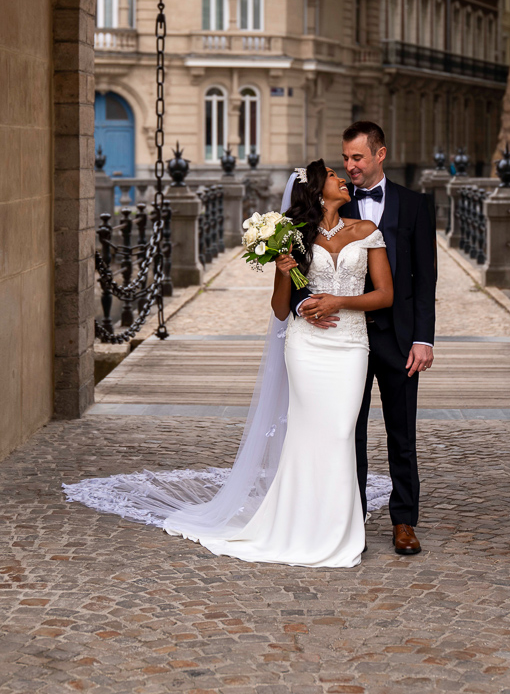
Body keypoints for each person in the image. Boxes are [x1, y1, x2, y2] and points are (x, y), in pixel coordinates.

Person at [63, 161, 393, 570]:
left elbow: (384, 295)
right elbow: (280, 309)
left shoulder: (366, 231)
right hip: (307, 347)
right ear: (316, 189)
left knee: (341, 432)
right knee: (307, 434)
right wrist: (284, 274)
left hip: (350, 345)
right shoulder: (293, 236)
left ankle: (338, 529)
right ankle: (302, 526)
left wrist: (338, 301)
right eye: (332, 174)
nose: (342, 178)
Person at [292, 122, 436, 555]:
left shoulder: (415, 205)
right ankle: (349, 518)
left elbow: (425, 277)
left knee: (401, 433)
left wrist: (424, 339)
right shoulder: (329, 200)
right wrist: (304, 303)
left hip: (398, 337)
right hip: (341, 340)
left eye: (357, 157)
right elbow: (298, 264)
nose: (350, 166)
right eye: (346, 158)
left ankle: (404, 521)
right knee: (346, 433)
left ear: (380, 154)